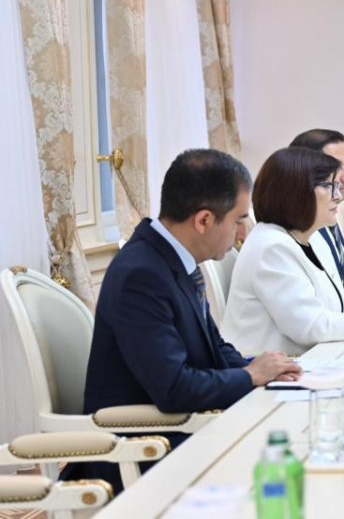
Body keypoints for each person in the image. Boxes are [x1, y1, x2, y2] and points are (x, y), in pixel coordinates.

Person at [80, 149, 301, 489]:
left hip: (183, 430)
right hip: (144, 451)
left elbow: (215, 348)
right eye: (238, 220)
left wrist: (266, 369)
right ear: (204, 220)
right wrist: (250, 375)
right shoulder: (141, 274)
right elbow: (174, 388)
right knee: (287, 460)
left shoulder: (169, 258)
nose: (242, 233)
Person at [222, 147, 344, 356]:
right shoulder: (271, 246)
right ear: (295, 192)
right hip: (270, 368)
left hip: (311, 359)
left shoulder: (309, 237)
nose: (338, 196)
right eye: (328, 186)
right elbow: (308, 326)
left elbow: (336, 304)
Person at [289, 128, 344, 305]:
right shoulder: (295, 231)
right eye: (335, 167)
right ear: (305, 170)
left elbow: (331, 290)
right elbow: (307, 310)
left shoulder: (330, 215)